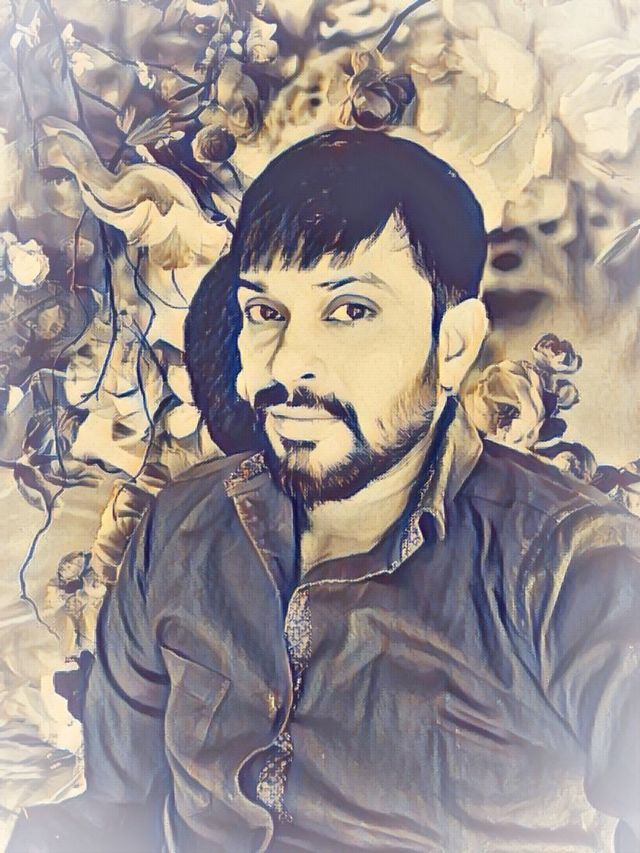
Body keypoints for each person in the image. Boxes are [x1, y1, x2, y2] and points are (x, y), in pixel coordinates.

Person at [9, 130, 640, 852]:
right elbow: (110, 815)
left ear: (454, 344)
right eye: (265, 313)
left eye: (350, 310)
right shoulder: (182, 524)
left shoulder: (570, 567)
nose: (289, 363)